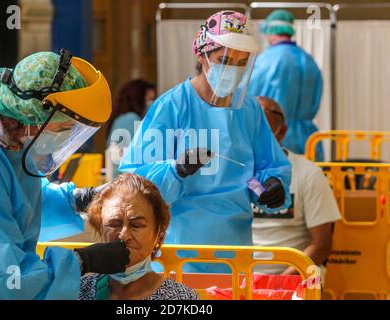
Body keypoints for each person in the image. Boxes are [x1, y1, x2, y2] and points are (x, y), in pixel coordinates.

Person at [0, 49, 130, 299]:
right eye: (63, 128)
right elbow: (6, 278)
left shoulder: (5, 134)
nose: (64, 137)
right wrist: (82, 262)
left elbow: (19, 198)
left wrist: (80, 198)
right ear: (33, 117)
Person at [119, 11, 292, 273]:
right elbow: (135, 184)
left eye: (241, 62)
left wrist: (273, 185)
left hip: (235, 248)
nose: (232, 69)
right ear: (202, 56)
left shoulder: (248, 110)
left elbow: (270, 165)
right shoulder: (172, 107)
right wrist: (175, 171)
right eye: (224, 60)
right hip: (180, 249)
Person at [253, 96, 341, 276]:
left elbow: (321, 245)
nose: (255, 141)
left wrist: (281, 282)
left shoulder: (309, 175)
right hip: (238, 275)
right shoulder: (234, 174)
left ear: (282, 132)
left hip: (293, 276)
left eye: (264, 134)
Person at [79, 173, 199, 300]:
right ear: (101, 232)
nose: (124, 236)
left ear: (159, 238)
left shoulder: (180, 298)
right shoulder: (76, 292)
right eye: (114, 224)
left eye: (136, 225)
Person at [248, 9, 324, 161]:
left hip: (276, 136)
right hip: (308, 139)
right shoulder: (308, 61)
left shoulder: (266, 61)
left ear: (270, 30)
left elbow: (249, 98)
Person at [105, 79, 156, 180]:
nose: (152, 103)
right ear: (138, 99)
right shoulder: (130, 119)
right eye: (149, 99)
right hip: (125, 183)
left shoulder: (123, 118)